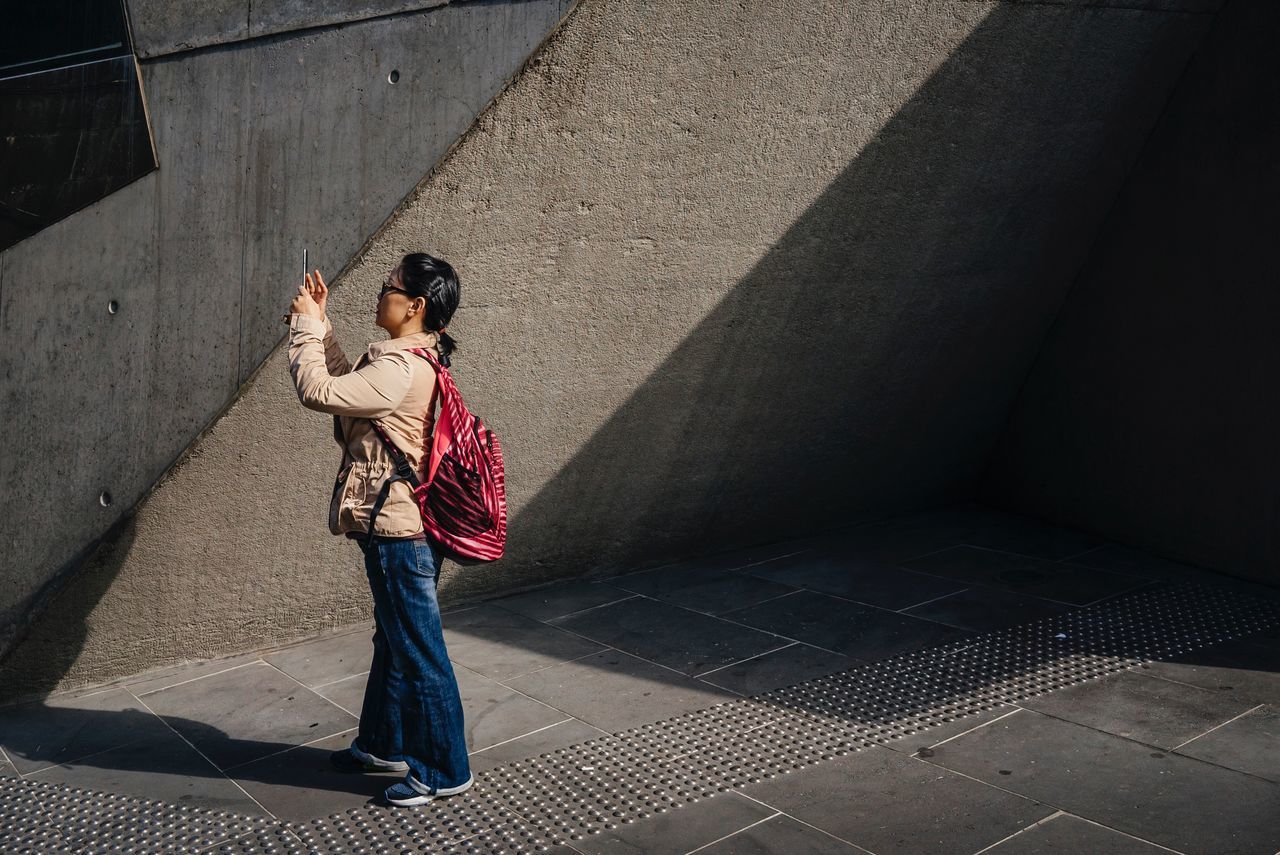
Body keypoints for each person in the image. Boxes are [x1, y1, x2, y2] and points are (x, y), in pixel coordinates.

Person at [285, 253, 472, 807]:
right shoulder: (410, 360)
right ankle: (383, 743)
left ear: (414, 306)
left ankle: (442, 768)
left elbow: (318, 392)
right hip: (405, 525)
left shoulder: (402, 366)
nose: (380, 293)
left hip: (398, 532)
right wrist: (323, 327)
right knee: (396, 641)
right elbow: (351, 387)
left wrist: (305, 329)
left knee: (417, 651)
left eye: (388, 287)